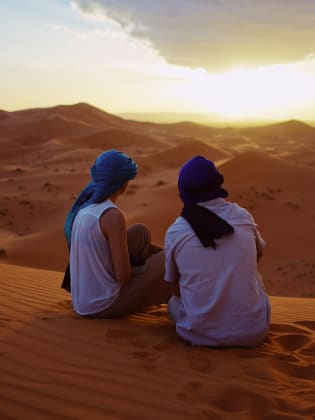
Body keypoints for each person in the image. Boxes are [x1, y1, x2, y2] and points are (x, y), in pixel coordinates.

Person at [164, 156, 270, 347]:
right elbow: (258, 254)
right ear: (217, 182)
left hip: (198, 334)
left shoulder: (176, 231)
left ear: (183, 189)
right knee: (255, 274)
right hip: (253, 333)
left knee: (172, 304)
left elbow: (174, 288)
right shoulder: (243, 217)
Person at [63, 149, 171, 318]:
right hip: (102, 304)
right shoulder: (112, 216)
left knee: (140, 233)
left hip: (82, 301)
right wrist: (148, 269)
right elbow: (123, 277)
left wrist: (155, 253)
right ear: (123, 184)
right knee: (172, 257)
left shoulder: (85, 208)